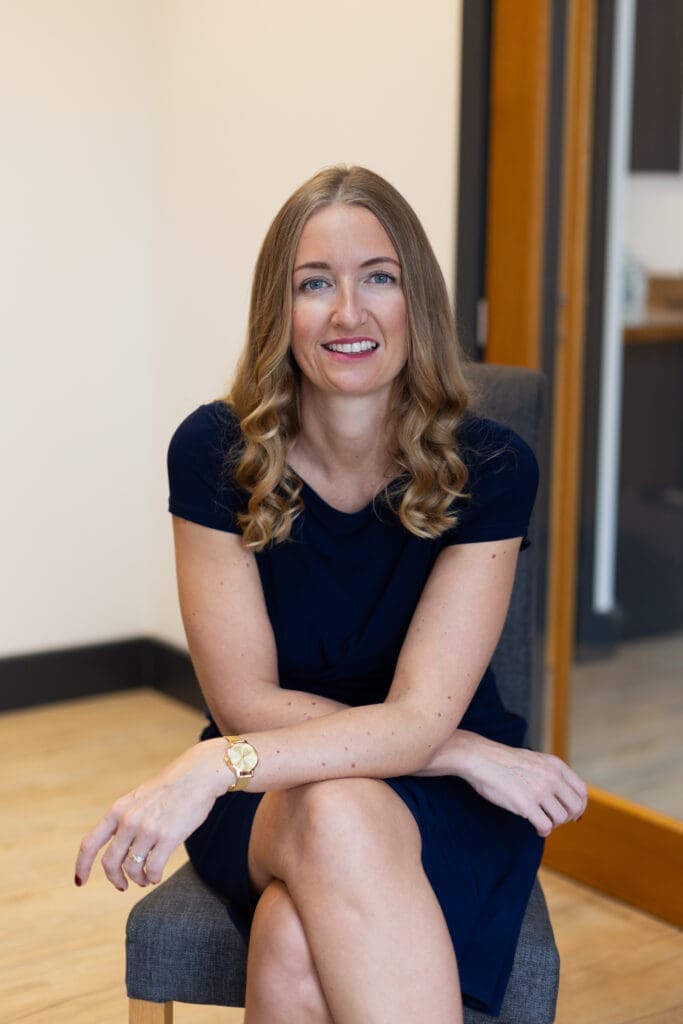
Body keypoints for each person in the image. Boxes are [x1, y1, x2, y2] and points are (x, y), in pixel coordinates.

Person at [76, 165, 587, 1024]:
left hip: (424, 805)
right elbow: (245, 699)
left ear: (414, 300)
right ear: (281, 314)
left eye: (377, 278)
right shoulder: (212, 452)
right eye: (315, 284)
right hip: (289, 778)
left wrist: (213, 763)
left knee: (292, 935)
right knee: (338, 811)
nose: (348, 313)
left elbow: (417, 711)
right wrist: (462, 749)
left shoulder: (492, 466)